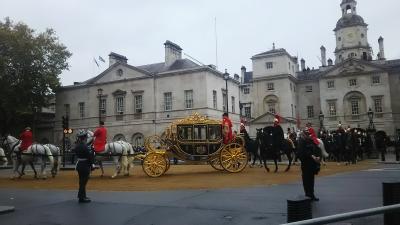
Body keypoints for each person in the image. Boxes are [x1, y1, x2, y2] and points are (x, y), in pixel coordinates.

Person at [297, 129, 321, 201]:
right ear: (303, 134)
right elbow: (302, 153)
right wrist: (311, 156)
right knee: (306, 181)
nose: (307, 135)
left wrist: (318, 156)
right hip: (306, 164)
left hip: (312, 164)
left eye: (308, 134)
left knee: (311, 180)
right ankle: (308, 195)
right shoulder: (301, 142)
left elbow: (317, 149)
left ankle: (312, 195)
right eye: (306, 134)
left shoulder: (311, 141)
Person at [73, 130, 95, 203]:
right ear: (85, 137)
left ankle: (83, 196)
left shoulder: (77, 146)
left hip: (79, 165)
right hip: (85, 165)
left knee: (81, 182)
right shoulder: (85, 146)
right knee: (83, 182)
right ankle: (81, 198)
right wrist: (92, 164)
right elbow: (89, 157)